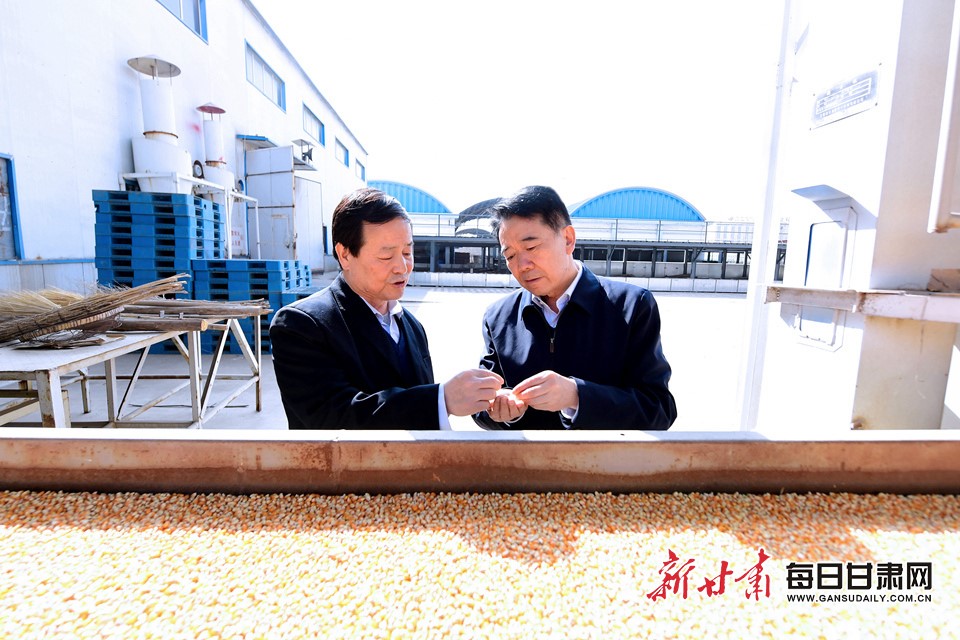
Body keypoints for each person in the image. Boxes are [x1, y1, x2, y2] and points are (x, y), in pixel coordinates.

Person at [270, 187, 503, 429]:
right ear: (345, 254)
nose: (402, 267)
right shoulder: (303, 324)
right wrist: (440, 400)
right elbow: (332, 417)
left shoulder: (411, 325)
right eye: (386, 256)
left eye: (407, 252)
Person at [473, 185, 677, 430]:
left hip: (603, 455)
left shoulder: (632, 306)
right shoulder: (498, 317)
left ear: (568, 239)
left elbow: (659, 410)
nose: (522, 264)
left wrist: (576, 396)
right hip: (527, 456)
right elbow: (480, 407)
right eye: (510, 255)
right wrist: (499, 409)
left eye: (531, 247)